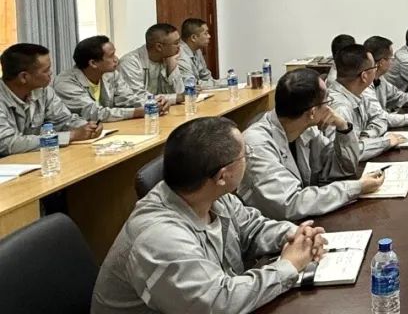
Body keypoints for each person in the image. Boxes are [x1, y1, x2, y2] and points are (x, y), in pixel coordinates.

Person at [91, 116, 328, 313]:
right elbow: (218, 303)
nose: (248, 158)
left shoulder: (208, 192)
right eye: (245, 155)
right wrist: (288, 266)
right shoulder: (160, 238)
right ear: (223, 175)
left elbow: (251, 228)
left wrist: (296, 235)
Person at [238, 69, 383, 221]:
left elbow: (343, 168)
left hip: (299, 223)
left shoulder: (306, 128)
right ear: (312, 112)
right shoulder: (257, 144)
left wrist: (343, 127)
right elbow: (291, 203)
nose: (330, 107)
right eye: (327, 101)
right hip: (273, 228)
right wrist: (356, 188)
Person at [0, 43, 101, 155]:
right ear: (24, 77)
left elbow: (64, 120)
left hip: (35, 158)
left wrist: (87, 127)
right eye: (46, 70)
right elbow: (7, 143)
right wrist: (71, 135)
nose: (51, 73)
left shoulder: (43, 91)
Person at [327, 44, 408, 160]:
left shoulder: (357, 92)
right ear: (364, 76)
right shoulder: (340, 108)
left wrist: (366, 136)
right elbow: (345, 155)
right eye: (374, 67)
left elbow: (380, 118)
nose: (376, 70)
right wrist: (385, 142)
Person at [54, 35, 154, 122]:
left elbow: (128, 99)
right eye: (111, 56)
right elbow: (93, 113)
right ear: (93, 63)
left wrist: (153, 103)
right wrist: (136, 112)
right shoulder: (66, 83)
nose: (116, 59)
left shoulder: (110, 74)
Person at [117, 24, 185, 107]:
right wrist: (176, 98)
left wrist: (172, 69)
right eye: (176, 43)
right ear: (159, 47)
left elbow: (181, 93)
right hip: (138, 112)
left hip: (160, 110)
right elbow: (137, 98)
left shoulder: (168, 58)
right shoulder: (130, 63)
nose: (179, 46)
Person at [177, 17, 224, 89]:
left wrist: (217, 84)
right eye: (206, 33)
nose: (209, 36)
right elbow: (192, 85)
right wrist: (223, 83)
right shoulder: (180, 54)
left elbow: (206, 77)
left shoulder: (197, 50)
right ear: (193, 37)